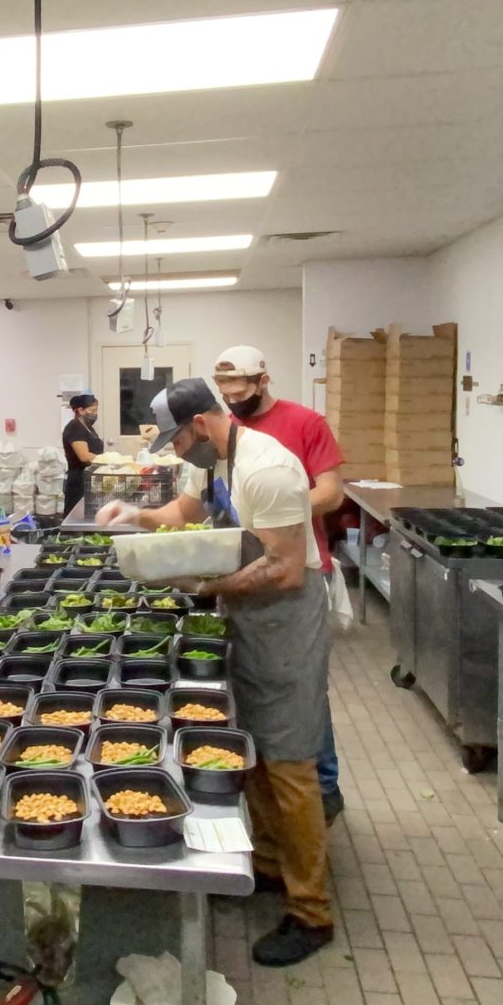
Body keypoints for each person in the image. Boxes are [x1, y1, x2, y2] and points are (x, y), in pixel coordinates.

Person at [97, 378, 335, 967]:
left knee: (290, 762)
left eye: (175, 442)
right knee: (251, 746)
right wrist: (137, 517)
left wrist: (205, 590)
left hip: (284, 622)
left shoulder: (268, 469)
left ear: (200, 425)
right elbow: (189, 509)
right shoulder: (213, 461)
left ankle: (312, 913)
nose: (175, 453)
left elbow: (285, 570)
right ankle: (271, 865)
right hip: (246, 614)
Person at [211, 345, 349, 826]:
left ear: (264, 380)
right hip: (253, 574)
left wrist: (278, 514)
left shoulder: (305, 423)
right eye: (224, 389)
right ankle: (275, 795)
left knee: (302, 696)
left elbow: (332, 493)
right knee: (262, 692)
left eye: (241, 388)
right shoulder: (227, 434)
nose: (233, 397)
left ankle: (323, 788)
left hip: (299, 563)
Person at [60, 392, 103, 516]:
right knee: (78, 516)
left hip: (90, 479)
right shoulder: (75, 427)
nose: (95, 414)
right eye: (92, 410)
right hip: (79, 481)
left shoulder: (88, 427)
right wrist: (108, 460)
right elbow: (83, 456)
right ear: (81, 410)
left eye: (96, 411)